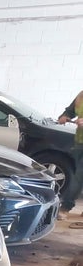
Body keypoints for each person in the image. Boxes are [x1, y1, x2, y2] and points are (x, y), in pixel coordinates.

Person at [58, 89, 83, 217]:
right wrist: (64, 117)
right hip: (79, 142)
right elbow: (70, 111)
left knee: (78, 176)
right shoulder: (81, 96)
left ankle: (66, 207)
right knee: (77, 174)